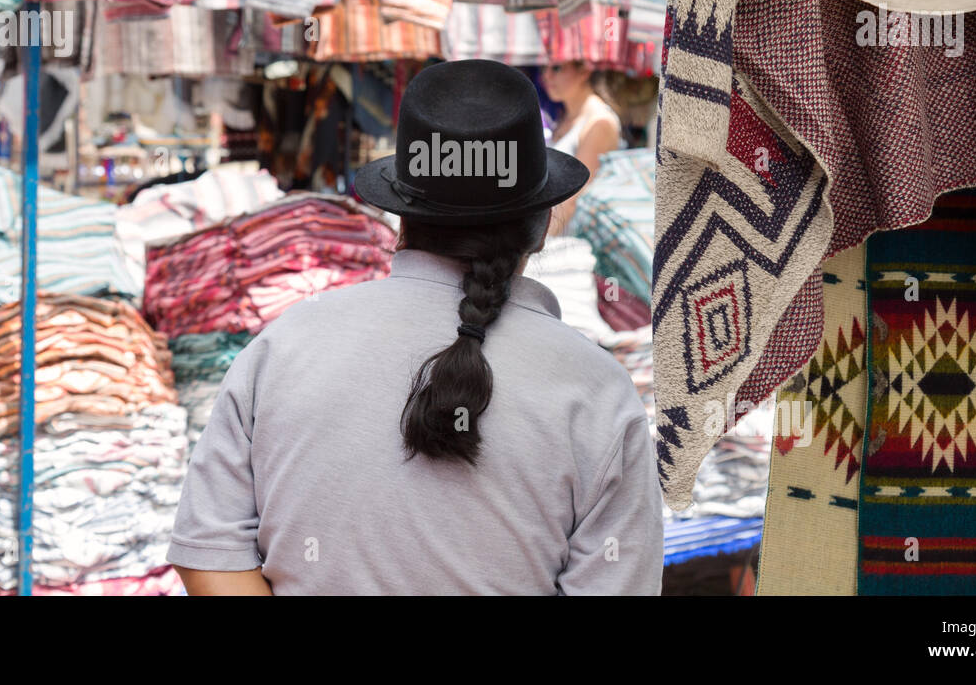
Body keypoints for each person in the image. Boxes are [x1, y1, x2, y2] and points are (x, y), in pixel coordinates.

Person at [166, 59, 663, 595]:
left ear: (401, 215)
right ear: (541, 228)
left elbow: (210, 553)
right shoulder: (598, 391)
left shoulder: (284, 346)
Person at [540, 61, 622, 236]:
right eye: (543, 69)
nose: (546, 76)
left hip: (574, 242)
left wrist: (541, 244)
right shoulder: (565, 117)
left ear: (584, 70)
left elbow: (574, 197)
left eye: (556, 67)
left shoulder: (599, 122)